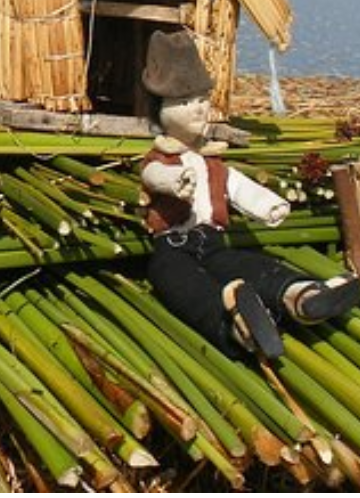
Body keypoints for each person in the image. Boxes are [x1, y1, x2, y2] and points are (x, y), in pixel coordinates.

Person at [140, 29, 359, 360]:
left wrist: (268, 204)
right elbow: (152, 176)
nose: (198, 110)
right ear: (159, 110)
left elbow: (237, 185)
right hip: (172, 248)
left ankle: (301, 296)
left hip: (214, 242)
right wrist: (174, 181)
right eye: (185, 103)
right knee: (182, 285)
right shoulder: (162, 158)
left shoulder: (212, 161)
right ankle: (238, 326)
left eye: (202, 100)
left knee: (251, 265)